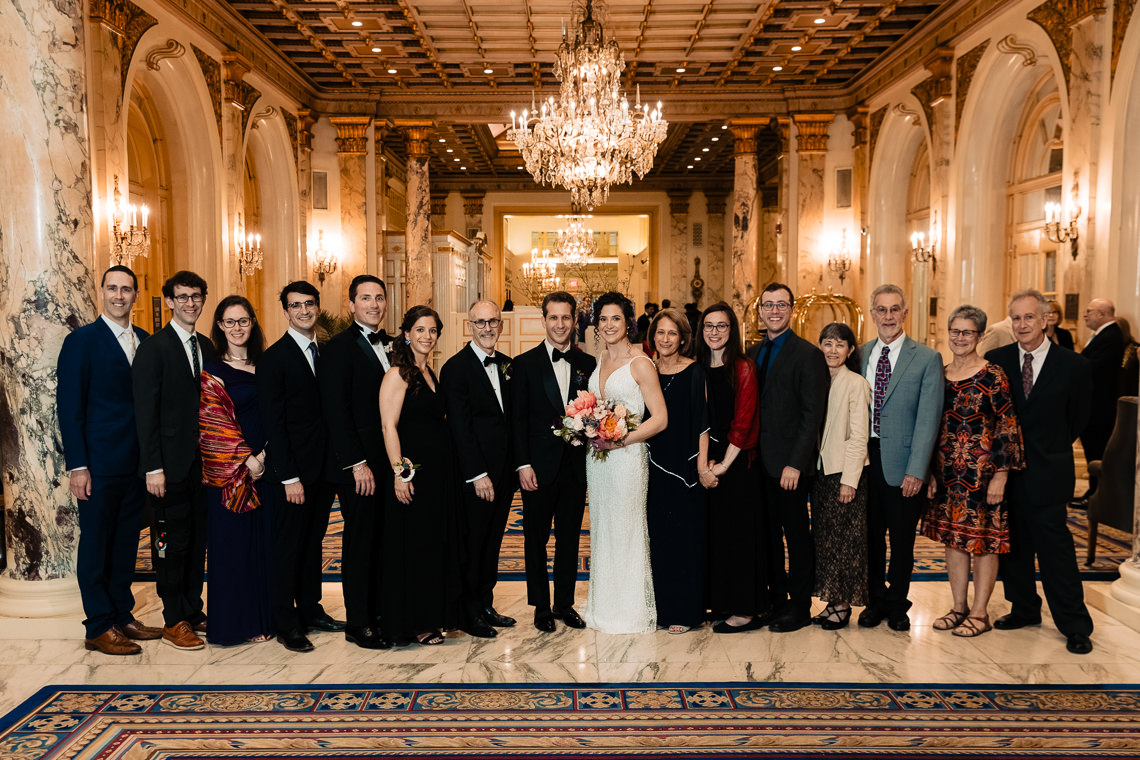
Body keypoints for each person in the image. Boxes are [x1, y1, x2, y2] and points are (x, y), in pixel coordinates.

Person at [985, 289, 1095, 654]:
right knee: (1013, 545)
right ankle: (1024, 608)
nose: (1022, 324)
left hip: (1049, 470)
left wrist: (1049, 446)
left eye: (1029, 317)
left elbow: (1079, 418)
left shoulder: (1074, 365)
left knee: (1055, 550)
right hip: (1006, 472)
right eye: (1016, 318)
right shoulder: (997, 360)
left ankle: (1074, 624)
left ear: (1045, 319)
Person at [58, 265, 161, 655]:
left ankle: (121, 615)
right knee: (96, 547)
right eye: (113, 288)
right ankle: (98, 626)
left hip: (137, 465)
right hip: (98, 466)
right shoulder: (81, 341)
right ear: (102, 291)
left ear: (136, 295)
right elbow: (70, 408)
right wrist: (78, 466)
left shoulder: (146, 340)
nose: (119, 295)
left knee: (125, 544)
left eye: (126, 289)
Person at [922, 305, 1024, 638]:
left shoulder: (993, 374)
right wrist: (929, 471)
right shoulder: (940, 373)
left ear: (979, 336)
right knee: (953, 540)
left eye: (967, 332)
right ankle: (958, 607)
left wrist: (1001, 475)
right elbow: (929, 426)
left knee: (984, 543)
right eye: (955, 331)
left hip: (983, 476)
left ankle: (980, 613)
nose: (960, 338)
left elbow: (1007, 425)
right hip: (947, 475)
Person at [258, 281, 343, 653]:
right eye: (296, 305)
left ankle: (310, 609)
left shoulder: (326, 353)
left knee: (313, 543)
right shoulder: (274, 358)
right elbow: (273, 424)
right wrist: (288, 476)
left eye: (309, 303)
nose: (304, 310)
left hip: (324, 469)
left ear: (317, 306)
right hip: (292, 474)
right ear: (286, 312)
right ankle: (285, 621)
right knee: (288, 547)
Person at [132, 270, 215, 650]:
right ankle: (172, 619)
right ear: (169, 301)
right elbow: (145, 413)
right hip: (167, 467)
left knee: (197, 542)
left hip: (204, 467)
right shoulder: (154, 348)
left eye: (196, 296)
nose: (190, 303)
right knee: (170, 544)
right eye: (182, 297)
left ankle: (193, 610)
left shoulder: (207, 346)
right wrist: (153, 467)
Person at [858, 284, 943, 632]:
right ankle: (875, 600)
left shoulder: (926, 358)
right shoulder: (860, 354)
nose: (888, 316)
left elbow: (928, 419)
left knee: (902, 541)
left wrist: (917, 470)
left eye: (895, 309)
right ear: (872, 314)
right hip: (865, 463)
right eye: (881, 309)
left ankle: (897, 605)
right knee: (870, 538)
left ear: (905, 314)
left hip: (905, 465)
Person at [510, 291, 597, 633]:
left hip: (574, 467)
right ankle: (541, 606)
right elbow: (517, 421)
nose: (560, 324)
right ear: (543, 320)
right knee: (535, 539)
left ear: (574, 321)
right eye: (553, 317)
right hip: (537, 468)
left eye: (566, 317)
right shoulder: (524, 364)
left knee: (570, 539)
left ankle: (564, 603)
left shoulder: (588, 364)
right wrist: (522, 465)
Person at [582, 292, 668, 634]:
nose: (608, 325)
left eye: (615, 318)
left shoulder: (641, 363)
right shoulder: (601, 356)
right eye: (603, 319)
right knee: (603, 528)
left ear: (628, 322)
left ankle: (629, 611)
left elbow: (659, 418)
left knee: (627, 528)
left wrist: (620, 441)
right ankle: (603, 606)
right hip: (598, 461)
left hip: (628, 458)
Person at [746, 283, 829, 633]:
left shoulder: (808, 355)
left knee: (796, 536)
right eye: (768, 305)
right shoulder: (752, 352)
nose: (774, 311)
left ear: (792, 310)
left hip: (790, 466)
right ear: (760, 311)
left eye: (781, 304)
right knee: (767, 536)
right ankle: (777, 601)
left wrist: (795, 463)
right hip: (758, 463)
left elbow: (812, 415)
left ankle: (800, 606)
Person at [379, 306, 462, 646]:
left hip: (438, 475)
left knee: (432, 546)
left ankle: (431, 615)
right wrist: (400, 474)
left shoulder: (428, 372)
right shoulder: (397, 374)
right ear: (407, 334)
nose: (428, 336)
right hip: (414, 475)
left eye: (433, 330)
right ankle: (413, 624)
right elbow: (389, 426)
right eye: (421, 330)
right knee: (414, 548)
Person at [320, 275, 393, 650]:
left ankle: (382, 612)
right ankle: (358, 622)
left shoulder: (395, 345)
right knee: (360, 541)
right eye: (366, 298)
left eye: (379, 297)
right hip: (360, 466)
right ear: (351, 305)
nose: (374, 304)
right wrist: (356, 463)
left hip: (389, 462)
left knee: (384, 539)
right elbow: (336, 410)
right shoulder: (338, 348)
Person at [199, 295, 274, 646]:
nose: (237, 328)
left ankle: (263, 618)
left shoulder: (267, 364)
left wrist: (266, 455)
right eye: (229, 322)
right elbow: (212, 424)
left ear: (253, 323)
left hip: (268, 468)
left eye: (243, 321)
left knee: (264, 546)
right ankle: (234, 625)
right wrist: (248, 460)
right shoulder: (213, 370)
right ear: (219, 326)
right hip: (232, 473)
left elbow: (279, 412)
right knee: (232, 548)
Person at [441, 299, 517, 639]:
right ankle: (469, 612)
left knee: (493, 541)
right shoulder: (455, 368)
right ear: (469, 326)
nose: (487, 328)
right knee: (472, 544)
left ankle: (486, 603)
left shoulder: (508, 364)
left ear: (501, 324)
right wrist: (477, 474)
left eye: (492, 322)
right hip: (476, 476)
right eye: (480, 322)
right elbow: (460, 427)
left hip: (504, 473)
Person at [697, 304, 762, 633]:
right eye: (709, 325)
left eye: (722, 326)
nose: (715, 332)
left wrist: (722, 465)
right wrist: (704, 464)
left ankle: (744, 610)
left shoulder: (743, 367)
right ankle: (720, 602)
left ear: (732, 330)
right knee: (714, 536)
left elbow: (743, 421)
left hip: (735, 464)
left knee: (738, 537)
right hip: (704, 463)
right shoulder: (696, 366)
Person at [646, 308, 710, 633]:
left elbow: (703, 422)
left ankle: (686, 612)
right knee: (658, 539)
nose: (666, 338)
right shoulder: (646, 369)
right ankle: (661, 609)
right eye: (660, 332)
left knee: (686, 540)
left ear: (683, 338)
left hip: (685, 468)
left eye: (672, 333)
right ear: (652, 336)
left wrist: (701, 464)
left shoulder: (695, 371)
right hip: (651, 465)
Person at [811, 322, 870, 630]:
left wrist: (850, 479)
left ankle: (843, 605)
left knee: (845, 541)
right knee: (826, 541)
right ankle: (831, 601)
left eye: (839, 344)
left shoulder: (855, 383)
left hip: (843, 474)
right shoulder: (817, 378)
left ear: (850, 350)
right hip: (820, 472)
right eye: (827, 343)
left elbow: (859, 436)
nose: (832, 350)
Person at [1075, 298, 1124, 506]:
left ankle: (1098, 495)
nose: (1085, 315)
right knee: (1092, 450)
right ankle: (1093, 492)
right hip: (1094, 406)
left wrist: (1071, 363)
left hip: (1099, 409)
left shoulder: (1111, 336)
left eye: (1089, 311)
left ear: (1102, 314)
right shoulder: (1102, 335)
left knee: (1097, 450)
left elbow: (1093, 368)